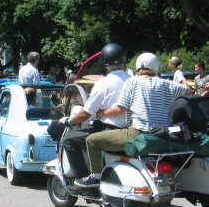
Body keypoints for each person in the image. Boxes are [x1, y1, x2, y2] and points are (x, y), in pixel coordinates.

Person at [79, 53, 192, 188]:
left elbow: (120, 109)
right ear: (156, 67)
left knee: (91, 141)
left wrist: (100, 114)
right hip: (161, 134)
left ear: (139, 66)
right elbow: (189, 90)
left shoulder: (132, 81)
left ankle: (95, 177)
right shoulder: (167, 84)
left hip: (138, 133)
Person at [57, 43, 131, 181]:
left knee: (69, 140)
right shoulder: (131, 80)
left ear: (105, 64)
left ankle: (84, 180)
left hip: (109, 131)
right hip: (129, 130)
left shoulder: (104, 83)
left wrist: (68, 120)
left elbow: (86, 113)